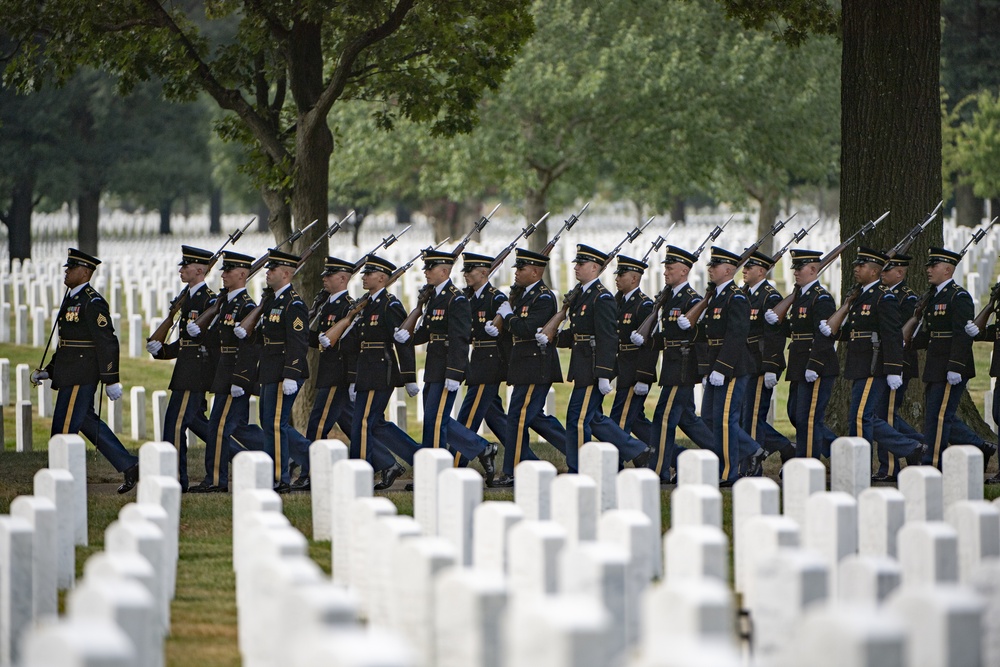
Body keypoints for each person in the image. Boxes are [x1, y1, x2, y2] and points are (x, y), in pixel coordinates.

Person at [33, 248, 138, 493]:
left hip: (81, 375)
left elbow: (107, 342)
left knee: (63, 427)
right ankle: (130, 465)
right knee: (87, 422)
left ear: (85, 272)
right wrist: (50, 370)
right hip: (70, 372)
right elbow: (68, 343)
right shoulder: (71, 299)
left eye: (71, 268)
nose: (67, 272)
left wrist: (111, 379)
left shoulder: (92, 302)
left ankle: (58, 480)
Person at [395, 249, 497, 482]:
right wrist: (407, 337)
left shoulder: (456, 298)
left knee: (436, 419)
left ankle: (433, 473)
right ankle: (482, 448)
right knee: (433, 418)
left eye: (429, 269)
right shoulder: (434, 296)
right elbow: (428, 332)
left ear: (444, 271)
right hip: (433, 365)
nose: (425, 273)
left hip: (448, 368)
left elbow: (460, 338)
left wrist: (454, 372)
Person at [551, 245, 651, 472]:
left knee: (577, 420)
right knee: (594, 418)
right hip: (583, 365)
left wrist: (604, 373)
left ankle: (579, 469)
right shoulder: (582, 294)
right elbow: (579, 333)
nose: (576, 267)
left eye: (581, 264)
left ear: (594, 267)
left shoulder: (602, 297)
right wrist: (553, 338)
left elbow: (607, 338)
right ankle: (637, 449)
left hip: (593, 369)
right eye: (576, 263)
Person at [825, 247, 923, 469]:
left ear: (875, 271)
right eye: (857, 265)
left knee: (860, 416)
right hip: (859, 363)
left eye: (862, 266)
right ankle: (911, 447)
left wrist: (893, 368)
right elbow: (856, 329)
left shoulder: (883, 297)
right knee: (861, 416)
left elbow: (892, 335)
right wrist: (834, 331)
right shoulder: (862, 295)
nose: (857, 269)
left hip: (873, 364)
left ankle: (860, 467)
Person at [631, 245, 714, 483]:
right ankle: (726, 455)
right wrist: (648, 338)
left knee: (663, 417)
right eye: (666, 268)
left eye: (670, 268)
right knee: (687, 419)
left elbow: (702, 335)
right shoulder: (668, 298)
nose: (666, 272)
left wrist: (704, 368)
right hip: (671, 365)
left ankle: (660, 469)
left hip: (682, 368)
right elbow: (669, 335)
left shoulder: (692, 300)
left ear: (684, 271)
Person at [186, 251, 264, 492]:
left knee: (218, 426)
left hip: (234, 375)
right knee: (233, 427)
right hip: (223, 372)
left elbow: (251, 347)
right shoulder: (226, 302)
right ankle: (283, 454)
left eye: (228, 271)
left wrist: (240, 379)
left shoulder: (246, 306)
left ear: (242, 275)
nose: (223, 274)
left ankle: (216, 480)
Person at [233, 249, 310, 492]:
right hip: (269, 370)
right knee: (267, 422)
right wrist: (249, 333)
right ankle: (278, 470)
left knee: (276, 424)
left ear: (286, 274)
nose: (267, 272)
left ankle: (279, 477)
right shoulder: (273, 301)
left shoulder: (293, 303)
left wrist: (291, 374)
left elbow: (298, 342)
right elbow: (267, 337)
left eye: (273, 269)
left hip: (283, 372)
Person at [491, 248, 566, 487]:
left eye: (521, 269)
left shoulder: (543, 298)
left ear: (535, 272)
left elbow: (526, 329)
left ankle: (513, 470)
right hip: (523, 365)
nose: (517, 273)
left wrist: (509, 316)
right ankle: (578, 452)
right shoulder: (523, 295)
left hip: (536, 364)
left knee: (518, 417)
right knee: (532, 418)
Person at [145, 245, 216, 491]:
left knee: (174, 425)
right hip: (186, 372)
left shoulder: (209, 301)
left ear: (199, 270)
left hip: (194, 375)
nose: (180, 270)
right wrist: (162, 351)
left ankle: (175, 479)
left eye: (185, 266)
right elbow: (185, 342)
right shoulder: (188, 299)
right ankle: (246, 453)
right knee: (205, 428)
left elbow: (211, 341)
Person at [692, 247, 765, 486]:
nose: (710, 269)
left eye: (715, 266)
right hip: (717, 365)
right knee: (709, 418)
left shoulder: (736, 297)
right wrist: (707, 368)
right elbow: (707, 335)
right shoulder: (716, 296)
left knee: (725, 419)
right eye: (711, 266)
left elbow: (736, 336)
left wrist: (722, 368)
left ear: (728, 270)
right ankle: (752, 449)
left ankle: (728, 472)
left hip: (733, 367)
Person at [349, 254, 421, 490]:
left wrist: (409, 377)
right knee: (376, 423)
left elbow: (403, 340)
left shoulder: (390, 305)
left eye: (368, 274)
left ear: (382, 278)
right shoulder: (365, 304)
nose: (364, 277)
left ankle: (359, 474)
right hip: (366, 370)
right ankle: (421, 461)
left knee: (362, 422)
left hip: (381, 370)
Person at [764, 249, 838, 460]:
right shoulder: (800, 296)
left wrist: (814, 364)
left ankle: (807, 462)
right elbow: (797, 330)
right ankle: (837, 451)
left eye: (800, 268)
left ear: (813, 269)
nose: (795, 272)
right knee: (796, 414)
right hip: (799, 364)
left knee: (809, 418)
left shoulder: (821, 298)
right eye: (795, 268)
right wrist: (778, 323)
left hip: (816, 366)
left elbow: (824, 335)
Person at [911, 247, 976, 469]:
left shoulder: (958, 296)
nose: (928, 270)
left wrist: (956, 366)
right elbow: (930, 333)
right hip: (935, 364)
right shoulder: (934, 295)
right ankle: (980, 447)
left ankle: (933, 463)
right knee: (934, 416)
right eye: (929, 265)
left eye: (934, 266)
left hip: (951, 365)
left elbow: (962, 334)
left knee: (939, 417)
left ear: (947, 270)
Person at [740, 251, 794, 470]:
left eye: (748, 268)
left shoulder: (769, 296)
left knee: (752, 417)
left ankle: (751, 466)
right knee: (746, 416)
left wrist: (771, 366)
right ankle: (787, 447)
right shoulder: (743, 293)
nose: (744, 270)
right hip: (745, 362)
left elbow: (775, 334)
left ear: (761, 271)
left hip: (761, 363)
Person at [607, 255, 658, 450]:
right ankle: (663, 456)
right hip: (622, 366)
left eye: (622, 274)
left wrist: (643, 377)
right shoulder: (618, 301)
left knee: (619, 420)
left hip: (634, 371)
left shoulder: (643, 305)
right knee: (636, 420)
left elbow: (650, 345)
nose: (617, 278)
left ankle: (617, 464)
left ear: (634, 279)